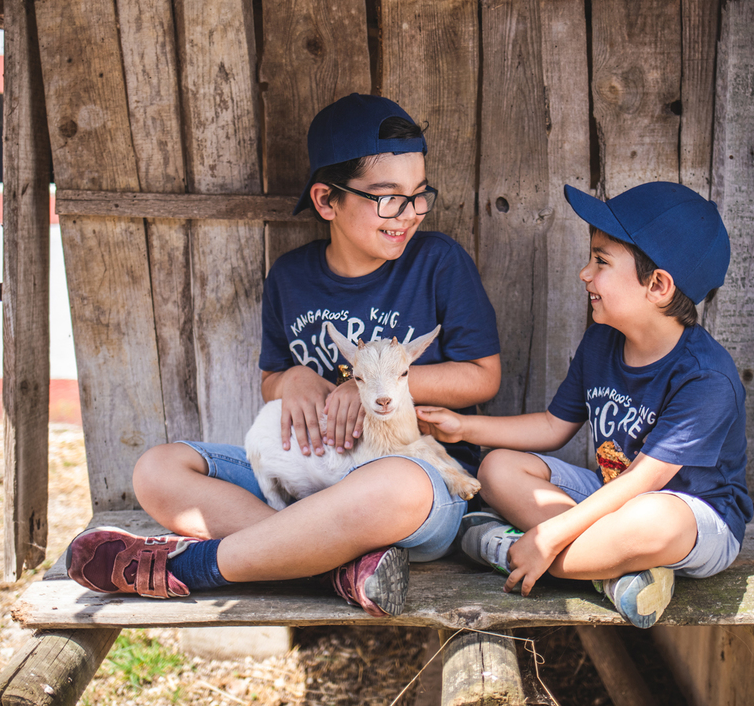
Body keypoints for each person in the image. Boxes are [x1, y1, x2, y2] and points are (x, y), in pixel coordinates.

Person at [64, 94, 501, 616]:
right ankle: (332, 567)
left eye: (418, 195)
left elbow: (482, 377)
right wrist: (290, 378)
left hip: (415, 480)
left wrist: (361, 389)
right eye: (387, 197)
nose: (406, 215)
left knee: (391, 487)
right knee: (157, 470)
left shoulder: (437, 262)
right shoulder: (291, 278)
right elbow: (272, 377)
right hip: (313, 478)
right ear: (326, 201)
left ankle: (192, 568)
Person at [416, 181, 752, 628]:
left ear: (657, 285)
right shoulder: (603, 338)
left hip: (692, 517)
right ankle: (610, 575)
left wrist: (552, 533)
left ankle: (511, 547)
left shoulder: (706, 377)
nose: (584, 273)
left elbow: (641, 483)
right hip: (610, 498)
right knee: (497, 468)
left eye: (601, 261)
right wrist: (462, 428)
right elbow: (553, 426)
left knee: (656, 519)